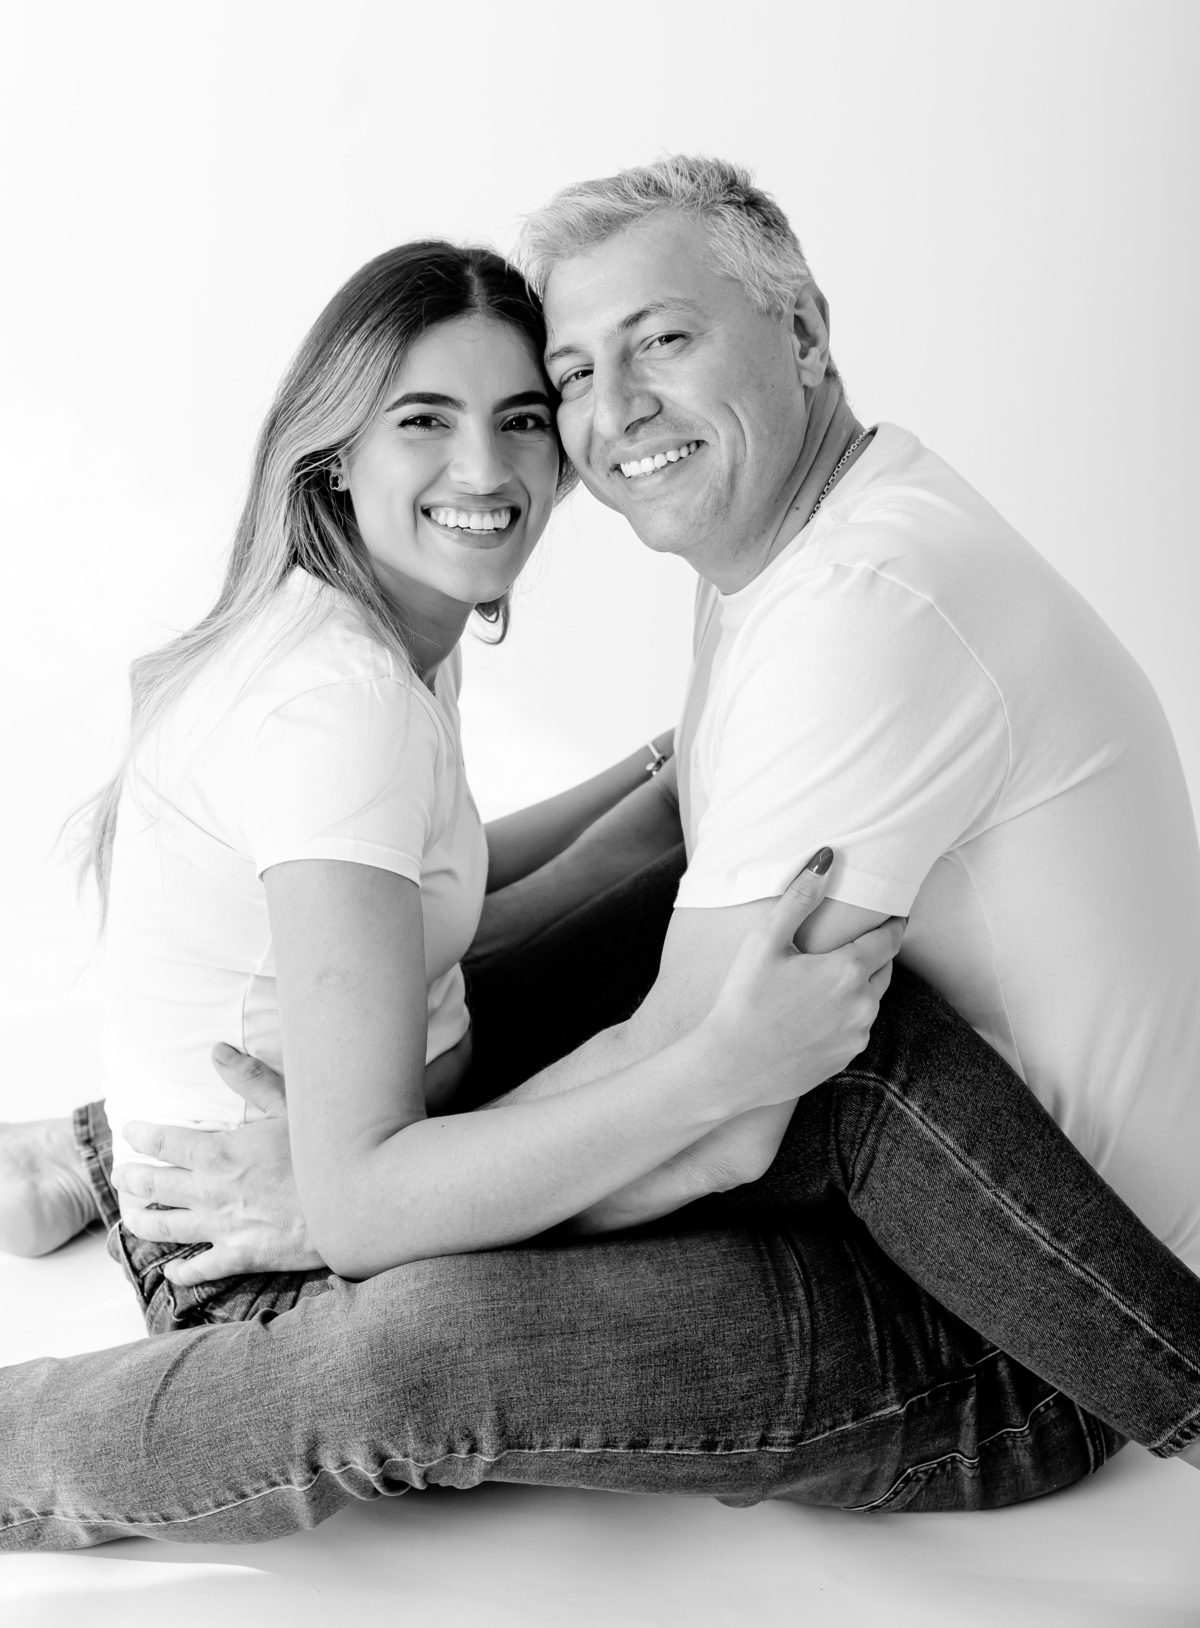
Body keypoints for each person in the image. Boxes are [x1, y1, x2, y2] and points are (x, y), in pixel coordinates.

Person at [3, 167, 1200, 1553]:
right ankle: (133, 1175)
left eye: (662, 341)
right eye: (576, 372)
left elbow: (721, 1098)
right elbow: (670, 949)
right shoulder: (817, 545)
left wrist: (351, 1208)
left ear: (805, 334)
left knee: (471, 1288)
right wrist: (358, 1194)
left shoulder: (847, 600)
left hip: (1007, 1339)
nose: (612, 410)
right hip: (879, 1194)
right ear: (333, 451)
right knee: (733, 1001)